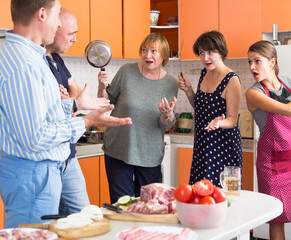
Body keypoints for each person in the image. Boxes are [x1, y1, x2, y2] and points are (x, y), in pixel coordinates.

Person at [0, 0, 132, 228]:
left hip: (40, 171)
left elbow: (40, 113)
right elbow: (35, 137)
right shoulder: (24, 64)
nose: (59, 23)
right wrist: (88, 120)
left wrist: (73, 105)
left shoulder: (33, 57)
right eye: (57, 16)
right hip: (33, 174)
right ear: (42, 14)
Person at [245, 40, 291, 240]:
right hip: (272, 164)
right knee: (277, 218)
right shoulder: (253, 93)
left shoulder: (287, 81)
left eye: (257, 61)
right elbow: (290, 109)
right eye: (249, 62)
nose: (252, 67)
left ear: (272, 62)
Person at [97, 33, 178, 203]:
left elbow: (164, 123)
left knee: (149, 206)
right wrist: (102, 86)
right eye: (144, 50)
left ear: (163, 55)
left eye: (154, 51)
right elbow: (105, 103)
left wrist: (167, 115)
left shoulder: (170, 83)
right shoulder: (127, 71)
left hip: (149, 154)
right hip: (119, 149)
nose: (147, 55)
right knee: (122, 207)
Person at [46, 8, 105, 215]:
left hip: (68, 156)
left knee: (84, 217)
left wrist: (71, 101)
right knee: (48, 224)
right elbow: (52, 105)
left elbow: (77, 94)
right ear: (54, 27)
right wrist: (72, 102)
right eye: (71, 33)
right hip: (48, 159)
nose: (75, 39)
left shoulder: (57, 59)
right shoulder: (36, 62)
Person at [178, 30, 242, 187]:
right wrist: (188, 90)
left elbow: (232, 120)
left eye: (210, 52)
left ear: (221, 51)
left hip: (223, 147)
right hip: (203, 145)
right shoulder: (204, 73)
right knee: (200, 195)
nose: (205, 58)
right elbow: (200, 108)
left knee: (225, 198)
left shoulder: (232, 79)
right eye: (201, 53)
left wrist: (219, 123)